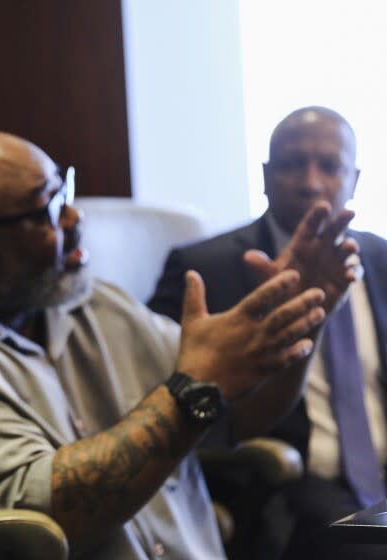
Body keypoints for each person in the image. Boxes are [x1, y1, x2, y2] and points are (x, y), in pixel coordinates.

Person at [0, 129, 359, 559]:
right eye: (48, 209)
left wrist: (304, 320)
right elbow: (57, 513)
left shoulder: (93, 302)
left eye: (64, 192)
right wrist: (193, 390)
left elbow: (242, 411)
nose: (75, 220)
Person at [148, 106, 387, 559]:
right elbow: (159, 395)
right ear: (264, 175)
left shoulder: (381, 259)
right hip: (288, 487)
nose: (311, 182)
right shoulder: (203, 266)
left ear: (354, 179)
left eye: (330, 166)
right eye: (293, 164)